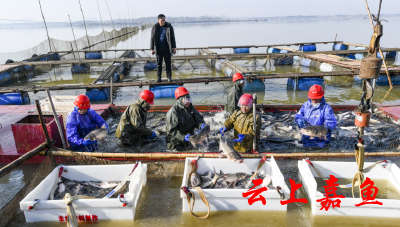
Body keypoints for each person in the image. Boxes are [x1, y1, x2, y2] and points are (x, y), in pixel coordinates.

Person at [150, 14, 176, 83]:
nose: (163, 22)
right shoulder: (155, 27)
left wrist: (174, 48)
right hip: (158, 49)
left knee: (168, 63)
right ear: (158, 20)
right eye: (162, 20)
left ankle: (169, 77)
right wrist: (151, 49)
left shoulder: (169, 26)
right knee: (159, 64)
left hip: (167, 48)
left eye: (164, 20)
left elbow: (173, 37)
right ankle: (159, 78)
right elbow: (152, 38)